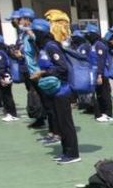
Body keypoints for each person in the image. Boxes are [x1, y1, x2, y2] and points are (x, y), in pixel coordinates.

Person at [30, 18, 80, 164]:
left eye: (35, 32)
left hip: (62, 90)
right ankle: (66, 151)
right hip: (53, 90)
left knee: (65, 123)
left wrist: (42, 73)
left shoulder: (51, 46)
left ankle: (73, 153)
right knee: (59, 122)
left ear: (40, 32)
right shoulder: (45, 47)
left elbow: (62, 67)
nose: (33, 34)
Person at [84, 24, 113, 122]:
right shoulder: (92, 45)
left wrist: (100, 75)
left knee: (105, 94)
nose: (87, 36)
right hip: (94, 74)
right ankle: (101, 113)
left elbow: (101, 61)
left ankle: (108, 114)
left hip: (102, 74)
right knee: (99, 94)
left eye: (89, 34)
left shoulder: (100, 45)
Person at [0, 34, 19, 122]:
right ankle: (9, 112)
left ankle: (12, 114)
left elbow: (1, 66)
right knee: (5, 96)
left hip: (4, 77)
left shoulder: (1, 53)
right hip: (0, 77)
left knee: (7, 96)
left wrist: (2, 77)